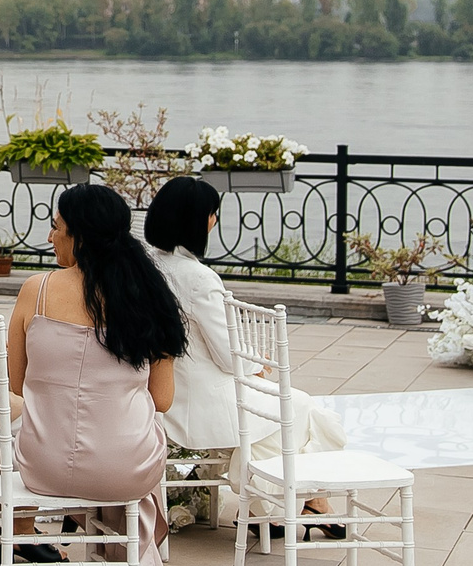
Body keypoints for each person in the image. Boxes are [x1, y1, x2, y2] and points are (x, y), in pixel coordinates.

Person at [9, 183, 186, 566]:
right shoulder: (148, 299)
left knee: (109, 442)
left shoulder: (36, 291)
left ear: (80, 237)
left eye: (56, 228)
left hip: (40, 468)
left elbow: (15, 385)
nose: (50, 237)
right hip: (123, 469)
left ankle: (109, 546)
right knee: (134, 448)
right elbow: (162, 400)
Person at [144, 176, 345, 531]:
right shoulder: (199, 278)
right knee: (299, 408)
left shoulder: (150, 265)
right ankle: (264, 503)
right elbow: (228, 354)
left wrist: (250, 366)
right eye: (212, 214)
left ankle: (299, 503)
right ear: (197, 220)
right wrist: (257, 366)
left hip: (167, 390)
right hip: (199, 403)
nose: (215, 220)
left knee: (294, 409)